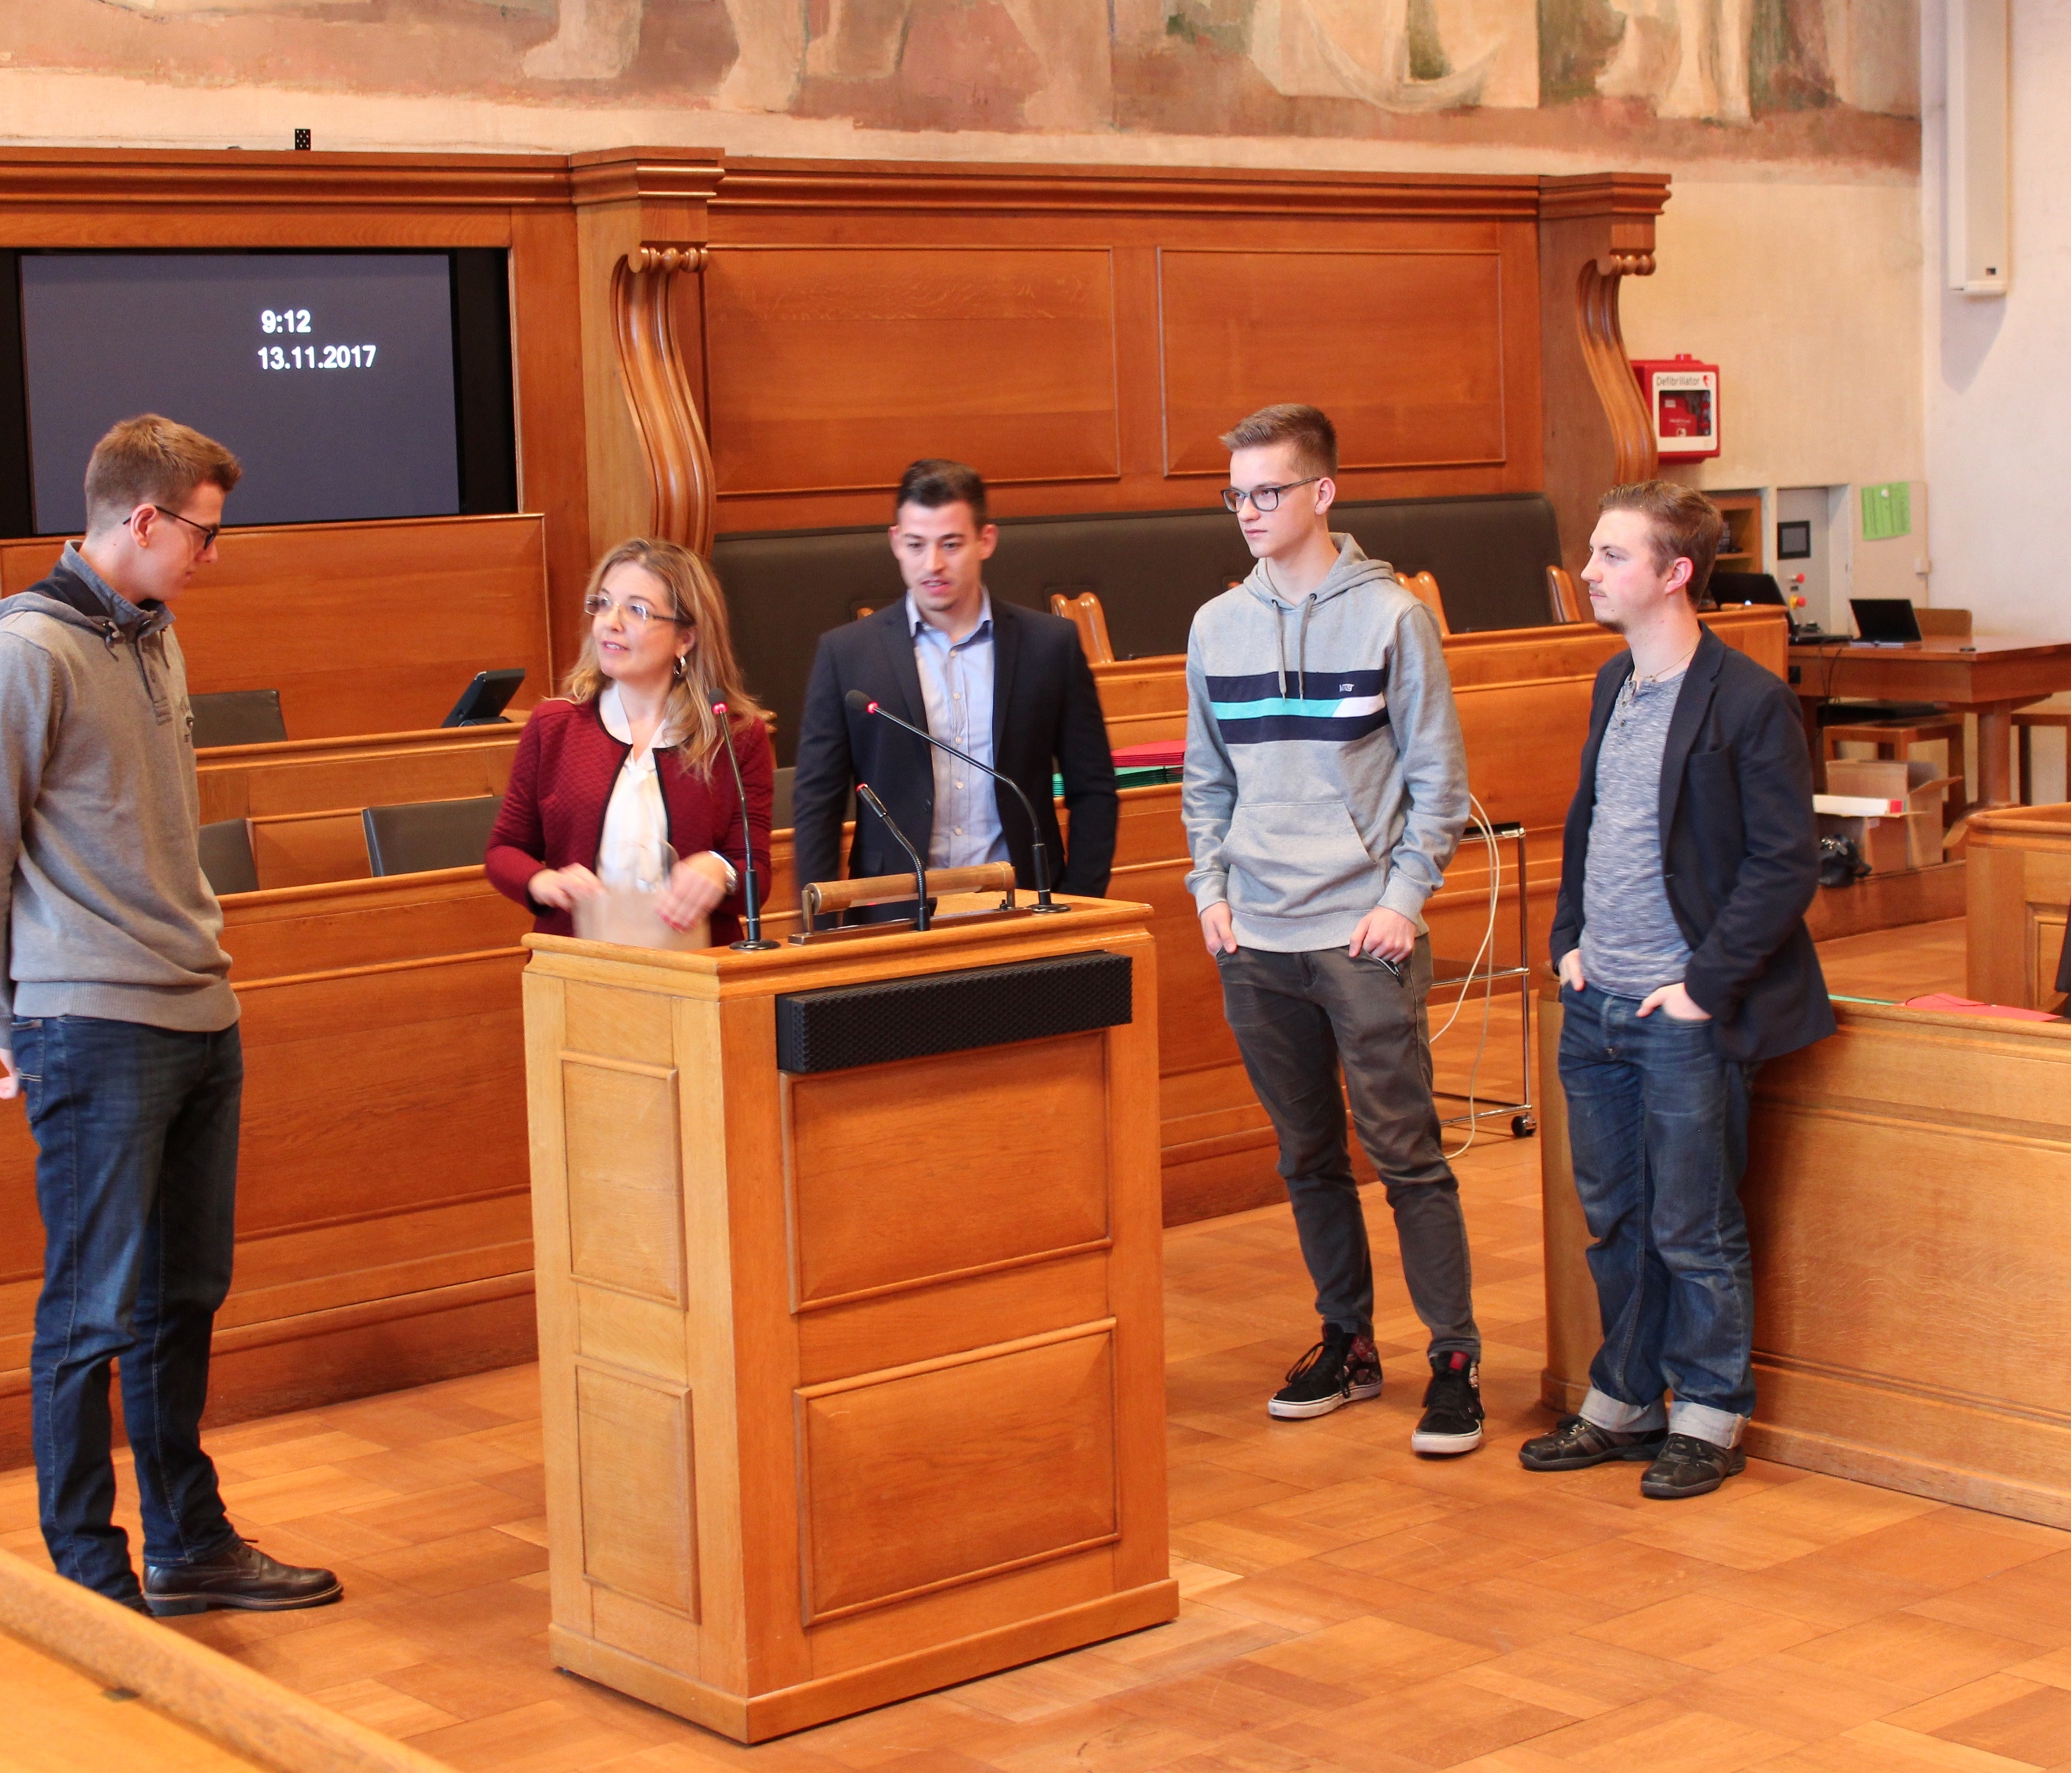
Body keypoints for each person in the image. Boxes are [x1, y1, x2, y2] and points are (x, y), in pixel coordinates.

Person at [0, 414, 339, 1616]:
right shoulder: (27, 653)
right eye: (203, 534)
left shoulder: (156, 635)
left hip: (197, 1007)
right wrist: (10, 1023)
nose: (213, 556)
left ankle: (187, 1543)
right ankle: (87, 1576)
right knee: (90, 1311)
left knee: (182, 1297)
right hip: (91, 1023)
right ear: (144, 519)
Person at [1182, 402, 1485, 1456]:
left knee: (1406, 1154)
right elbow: (1206, 779)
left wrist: (1401, 902)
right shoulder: (1216, 626)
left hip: (1364, 936)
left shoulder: (1393, 617)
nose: (1248, 511)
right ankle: (1349, 1344)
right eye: (1235, 494)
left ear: (1322, 492)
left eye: (1267, 490)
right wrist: (1210, 891)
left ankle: (1454, 1358)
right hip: (1256, 940)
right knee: (1308, 1156)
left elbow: (1440, 783)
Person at [1520, 481, 1832, 1499]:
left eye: (1612, 556)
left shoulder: (1749, 700)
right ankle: (1625, 1398)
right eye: (1594, 552)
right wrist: (1568, 941)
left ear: (1675, 573)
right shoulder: (1615, 681)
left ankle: (1707, 1412)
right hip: (1596, 1001)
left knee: (1693, 1225)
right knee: (1616, 1219)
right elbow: (1592, 824)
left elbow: (1785, 865)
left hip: (1685, 1012)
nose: (1589, 571)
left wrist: (1701, 987)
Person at [791, 459, 1117, 913]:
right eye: (916, 545)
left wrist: (1077, 904)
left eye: (951, 544)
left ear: (986, 540)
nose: (933, 564)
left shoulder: (1049, 646)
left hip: (1024, 906)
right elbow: (816, 803)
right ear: (895, 542)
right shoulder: (846, 653)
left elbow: (1094, 788)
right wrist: (822, 924)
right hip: (892, 910)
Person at [486, 537, 773, 946]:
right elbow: (504, 850)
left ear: (685, 638)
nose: (611, 622)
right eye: (603, 603)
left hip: (693, 965)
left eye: (636, 610)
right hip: (578, 962)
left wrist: (721, 871)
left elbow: (756, 876)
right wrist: (541, 881)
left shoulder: (736, 736)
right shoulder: (554, 726)